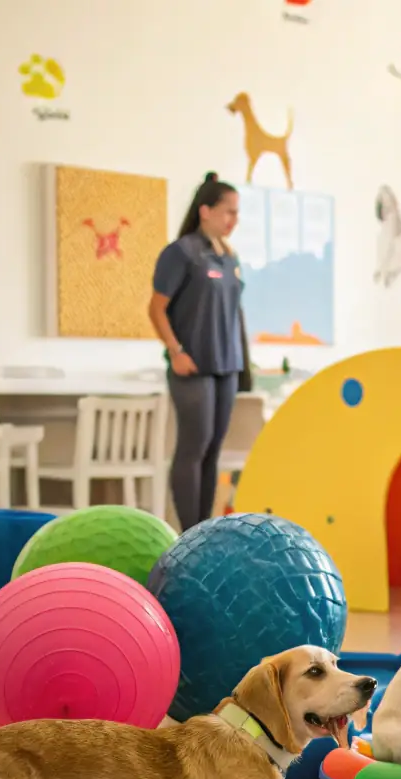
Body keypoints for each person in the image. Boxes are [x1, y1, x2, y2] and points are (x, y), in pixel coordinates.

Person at [148, 173, 246, 533]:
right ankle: (189, 532)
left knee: (213, 451)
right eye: (228, 212)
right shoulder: (181, 253)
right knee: (194, 445)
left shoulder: (228, 257)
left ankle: (204, 532)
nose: (233, 220)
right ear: (205, 211)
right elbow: (156, 309)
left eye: (237, 213)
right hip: (193, 367)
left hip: (227, 367)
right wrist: (176, 351)